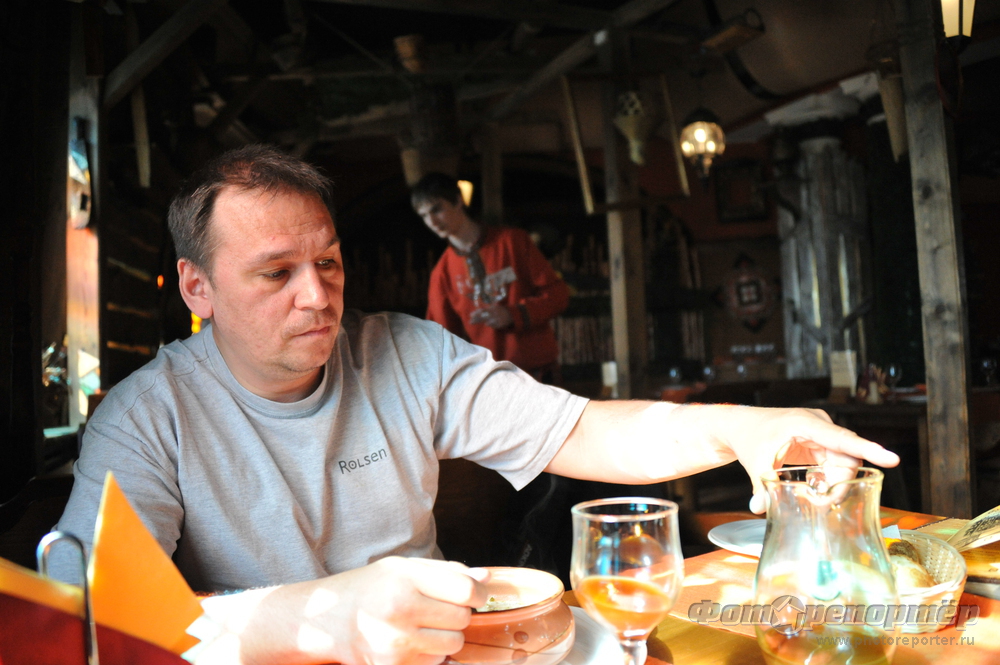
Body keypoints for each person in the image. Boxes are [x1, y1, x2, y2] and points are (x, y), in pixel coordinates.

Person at [53, 145, 899, 665]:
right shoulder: (145, 416)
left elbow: (585, 429)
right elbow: (86, 618)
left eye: (330, 263)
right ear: (197, 287)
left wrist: (745, 426)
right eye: (276, 272)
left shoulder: (404, 352)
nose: (318, 295)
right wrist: (321, 618)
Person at [412, 173, 569, 384]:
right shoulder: (442, 273)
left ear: (458, 201)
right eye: (423, 216)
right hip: (492, 382)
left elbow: (558, 295)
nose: (431, 221)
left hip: (539, 374)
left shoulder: (512, 242)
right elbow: (440, 340)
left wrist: (514, 314)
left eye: (436, 209)